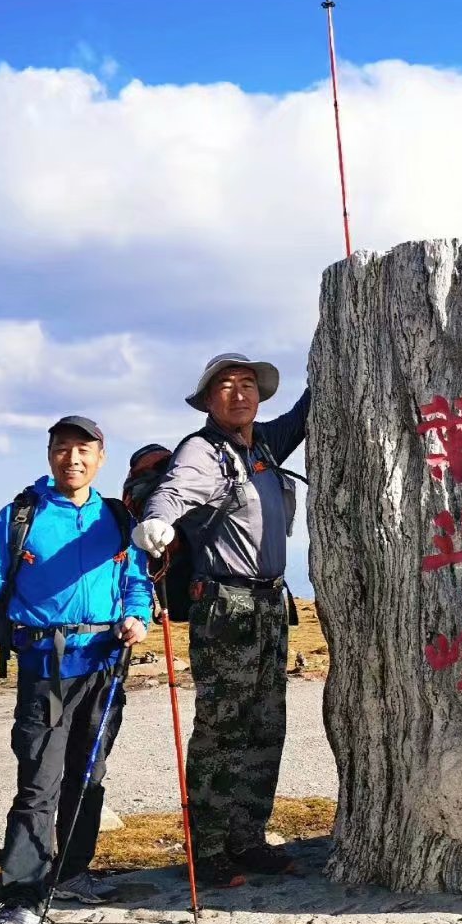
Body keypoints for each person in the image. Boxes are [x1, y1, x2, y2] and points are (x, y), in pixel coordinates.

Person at [0, 415, 152, 924]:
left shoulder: (118, 517)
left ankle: (70, 875)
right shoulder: (21, 514)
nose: (73, 458)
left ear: (101, 456)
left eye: (83, 449)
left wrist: (137, 615)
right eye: (62, 448)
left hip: (105, 666)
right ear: (49, 455)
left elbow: (135, 580)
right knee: (38, 785)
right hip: (45, 668)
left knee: (89, 776)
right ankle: (21, 899)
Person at [133, 352, 309, 888]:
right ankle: (206, 850)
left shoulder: (264, 445)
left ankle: (248, 839)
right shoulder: (203, 450)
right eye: (227, 386)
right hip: (226, 604)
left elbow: (307, 413)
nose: (240, 394)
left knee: (265, 724)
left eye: (249, 384)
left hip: (271, 602)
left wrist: (333, 356)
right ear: (208, 400)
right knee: (222, 728)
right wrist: (157, 521)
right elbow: (173, 490)